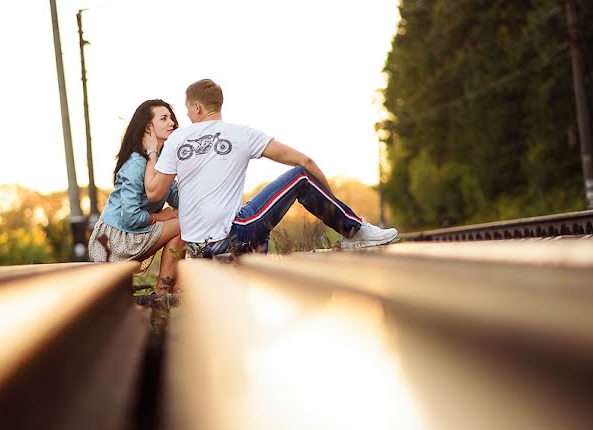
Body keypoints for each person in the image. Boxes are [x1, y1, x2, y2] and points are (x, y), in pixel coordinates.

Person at [142, 79, 398, 258]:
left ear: (197, 107)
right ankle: (355, 230)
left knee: (256, 223)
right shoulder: (242, 134)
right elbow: (305, 162)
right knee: (300, 176)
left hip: (199, 248)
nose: (187, 115)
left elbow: (154, 194)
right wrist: (331, 200)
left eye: (187, 109)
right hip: (231, 236)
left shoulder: (177, 139)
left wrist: (152, 151)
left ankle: (253, 275)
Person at [88, 99, 184, 294]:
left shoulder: (159, 161)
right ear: (148, 127)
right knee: (183, 223)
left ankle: (172, 289)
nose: (171, 123)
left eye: (171, 118)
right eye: (164, 118)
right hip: (113, 240)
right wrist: (161, 216)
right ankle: (162, 294)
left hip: (132, 234)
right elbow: (130, 216)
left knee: (185, 221)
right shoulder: (136, 163)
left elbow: (177, 198)